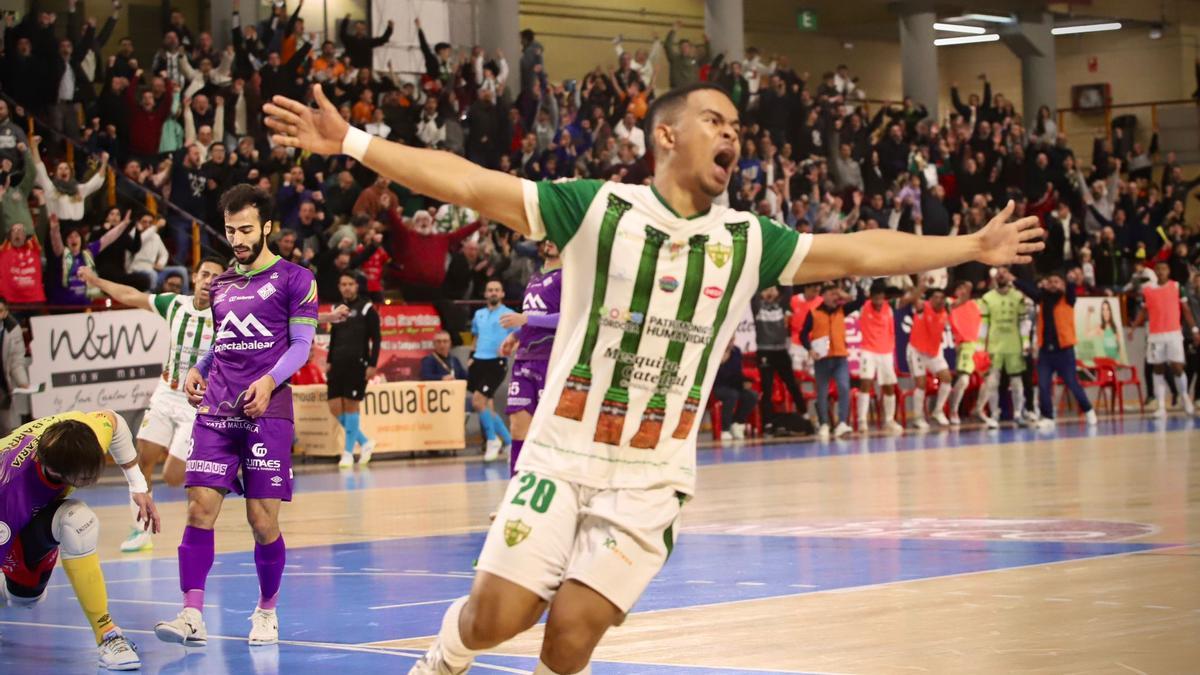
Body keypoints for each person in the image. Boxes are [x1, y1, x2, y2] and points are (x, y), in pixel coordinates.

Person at [263, 79, 1041, 675]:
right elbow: (467, 182)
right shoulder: (596, 208)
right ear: (666, 135)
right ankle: (444, 654)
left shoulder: (748, 239)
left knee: (568, 638)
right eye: (716, 121)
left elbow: (862, 250)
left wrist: (968, 244)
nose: (733, 134)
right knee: (499, 615)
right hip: (562, 453)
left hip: (650, 474)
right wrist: (355, 144)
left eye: (739, 128)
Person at [154, 184, 318, 647]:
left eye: (246, 229)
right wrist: (197, 369)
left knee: (262, 521)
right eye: (230, 230)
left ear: (267, 226)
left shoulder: (296, 278)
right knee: (198, 508)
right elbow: (223, 341)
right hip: (216, 409)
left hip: (268, 412)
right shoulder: (221, 284)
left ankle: (266, 611)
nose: (238, 238)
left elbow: (301, 346)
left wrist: (269, 382)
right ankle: (191, 614)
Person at [77, 256, 226, 554]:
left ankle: (216, 473)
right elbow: (131, 295)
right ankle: (140, 529)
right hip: (165, 393)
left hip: (196, 404)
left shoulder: (226, 315)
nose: (209, 281)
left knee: (173, 477)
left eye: (215, 277)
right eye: (205, 274)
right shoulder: (174, 304)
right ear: (194, 277)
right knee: (141, 459)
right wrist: (96, 281)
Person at [0, 410, 160, 670]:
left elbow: (115, 422)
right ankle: (108, 634)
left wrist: (138, 486)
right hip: (9, 514)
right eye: (84, 476)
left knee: (78, 522)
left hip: (29, 511)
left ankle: (107, 635)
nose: (91, 479)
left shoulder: (86, 434)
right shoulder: (10, 495)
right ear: (53, 469)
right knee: (22, 599)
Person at [499, 241, 562, 475]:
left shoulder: (570, 276)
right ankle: (514, 496)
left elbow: (569, 317)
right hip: (525, 359)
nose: (550, 241)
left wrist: (525, 321)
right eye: (547, 238)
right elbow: (536, 314)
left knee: (550, 432)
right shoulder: (535, 277)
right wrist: (516, 335)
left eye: (555, 237)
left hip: (551, 361)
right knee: (517, 428)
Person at [1015, 272, 1099, 430]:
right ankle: (1047, 416)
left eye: (1057, 282)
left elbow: (1072, 289)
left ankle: (1088, 409)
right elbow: (1029, 290)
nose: (1054, 284)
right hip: (1046, 352)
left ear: (1063, 285)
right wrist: (1014, 279)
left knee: (1072, 383)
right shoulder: (1042, 300)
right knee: (1043, 385)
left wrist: (1071, 280)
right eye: (1051, 281)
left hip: (1064, 351)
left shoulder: (1068, 299)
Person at [327, 270, 382, 469]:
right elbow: (334, 338)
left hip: (357, 364)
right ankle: (365, 442)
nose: (347, 287)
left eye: (350, 284)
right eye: (343, 284)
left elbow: (376, 339)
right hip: (337, 364)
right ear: (339, 287)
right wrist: (329, 360)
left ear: (357, 286)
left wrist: (373, 364)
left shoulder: (367, 308)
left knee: (351, 405)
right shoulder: (336, 309)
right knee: (334, 406)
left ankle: (348, 453)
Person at [1130, 260, 1199, 416]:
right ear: (1155, 271)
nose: (1161, 272)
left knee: (1177, 367)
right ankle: (1161, 406)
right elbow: (1143, 311)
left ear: (1168, 271)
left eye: (1164, 269)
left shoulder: (1176, 287)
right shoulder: (1148, 290)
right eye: (1158, 269)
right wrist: (1133, 327)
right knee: (1158, 368)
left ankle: (1185, 398)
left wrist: (1194, 329)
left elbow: (1186, 310)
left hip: (1173, 333)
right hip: (1155, 336)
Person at [801, 282, 863, 438]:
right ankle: (824, 424)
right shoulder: (814, 312)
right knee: (822, 392)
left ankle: (842, 422)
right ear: (823, 296)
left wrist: (847, 294)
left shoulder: (842, 310)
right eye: (832, 294)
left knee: (843, 387)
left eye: (836, 294)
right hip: (822, 358)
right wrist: (810, 349)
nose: (835, 297)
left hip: (840, 357)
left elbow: (861, 300)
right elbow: (803, 334)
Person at [975, 267, 1029, 427]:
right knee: (992, 382)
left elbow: (1023, 322)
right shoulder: (987, 298)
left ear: (1010, 276)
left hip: (1014, 346)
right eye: (998, 273)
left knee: (1017, 381)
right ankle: (994, 414)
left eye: (1004, 272)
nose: (1001, 275)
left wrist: (1025, 343)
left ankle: (1018, 413)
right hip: (994, 346)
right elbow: (984, 324)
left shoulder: (1018, 297)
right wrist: (980, 347)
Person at [471, 279, 517, 461]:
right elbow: (476, 336)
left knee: (477, 401)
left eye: (497, 290)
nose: (493, 293)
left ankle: (492, 440)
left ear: (503, 294)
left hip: (496, 362)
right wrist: (470, 357)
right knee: (487, 406)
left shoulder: (508, 314)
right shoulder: (479, 314)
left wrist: (509, 349)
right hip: (479, 362)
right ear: (485, 294)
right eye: (490, 290)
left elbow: (520, 336)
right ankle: (509, 442)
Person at [753, 285, 806, 434]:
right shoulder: (757, 306)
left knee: (792, 384)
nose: (770, 292)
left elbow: (787, 288)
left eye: (773, 289)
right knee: (767, 388)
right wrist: (762, 290)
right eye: (767, 289)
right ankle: (768, 422)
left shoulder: (782, 305)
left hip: (781, 351)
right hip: (764, 351)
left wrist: (776, 286)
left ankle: (804, 413)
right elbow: (753, 291)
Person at [905, 277, 954, 430]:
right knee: (921, 383)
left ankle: (938, 411)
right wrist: (923, 286)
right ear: (930, 299)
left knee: (947, 378)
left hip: (933, 351)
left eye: (941, 298)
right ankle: (918, 418)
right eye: (936, 297)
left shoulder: (946, 312)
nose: (939, 300)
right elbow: (912, 299)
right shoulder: (923, 307)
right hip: (917, 350)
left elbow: (959, 302)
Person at [856, 280, 903, 433]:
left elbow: (908, 299)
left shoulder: (889, 309)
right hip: (868, 350)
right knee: (866, 383)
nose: (877, 301)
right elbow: (852, 298)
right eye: (875, 297)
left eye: (880, 297)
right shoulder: (863, 307)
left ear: (884, 297)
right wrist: (855, 281)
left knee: (889, 386)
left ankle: (889, 420)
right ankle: (862, 420)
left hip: (886, 352)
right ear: (871, 296)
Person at [947, 280, 983, 425]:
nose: (963, 291)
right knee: (963, 380)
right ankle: (953, 410)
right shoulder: (949, 303)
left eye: (965, 288)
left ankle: (978, 409)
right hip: (963, 346)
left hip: (979, 346)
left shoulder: (975, 304)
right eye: (960, 288)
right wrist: (965, 294)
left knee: (992, 379)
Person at [711, 342, 758, 441]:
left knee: (752, 395)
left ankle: (736, 422)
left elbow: (737, 372)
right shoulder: (715, 350)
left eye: (732, 338)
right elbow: (716, 376)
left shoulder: (736, 351)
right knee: (732, 395)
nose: (730, 341)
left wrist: (745, 381)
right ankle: (725, 429)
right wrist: (722, 362)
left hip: (734, 385)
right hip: (718, 386)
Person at [0, 297, 28, 436]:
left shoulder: (12, 329)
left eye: (0, 311)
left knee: (6, 427)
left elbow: (17, 360)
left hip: (3, 384)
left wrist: (22, 381)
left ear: (5, 313)